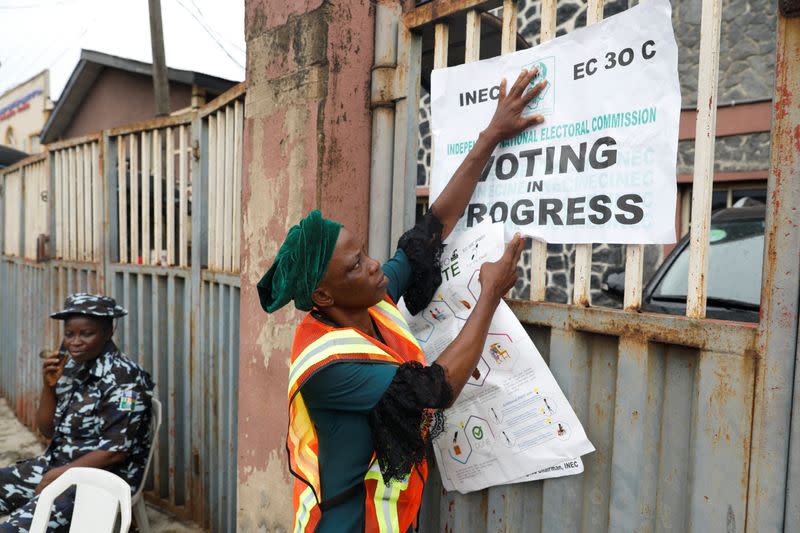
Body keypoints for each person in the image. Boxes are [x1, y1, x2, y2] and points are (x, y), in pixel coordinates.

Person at [258, 68, 547, 533]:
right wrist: (490, 293)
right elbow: (435, 389)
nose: (375, 266)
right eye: (355, 266)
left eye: (364, 254)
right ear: (323, 295)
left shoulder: (368, 300)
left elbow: (428, 231)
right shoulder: (326, 364)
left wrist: (491, 135)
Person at [0, 293, 154, 532]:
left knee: (12, 529)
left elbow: (114, 453)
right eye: (69, 334)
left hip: (99, 481)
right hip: (58, 466)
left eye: (87, 334)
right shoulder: (72, 367)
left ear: (108, 332)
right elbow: (47, 429)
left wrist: (57, 477)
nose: (75, 342)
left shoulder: (125, 379)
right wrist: (48, 387)